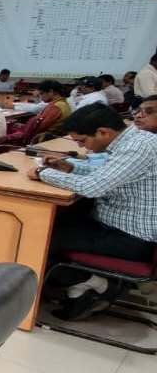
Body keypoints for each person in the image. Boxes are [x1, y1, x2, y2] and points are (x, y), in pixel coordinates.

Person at [29, 104, 157, 320]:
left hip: (129, 239)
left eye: (82, 141)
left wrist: (43, 172)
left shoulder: (137, 148)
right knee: (53, 221)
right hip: (119, 227)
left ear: (103, 132)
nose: (82, 147)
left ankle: (97, 284)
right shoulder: (136, 140)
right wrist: (71, 167)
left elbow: (93, 187)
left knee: (37, 237)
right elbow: (109, 172)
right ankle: (78, 290)